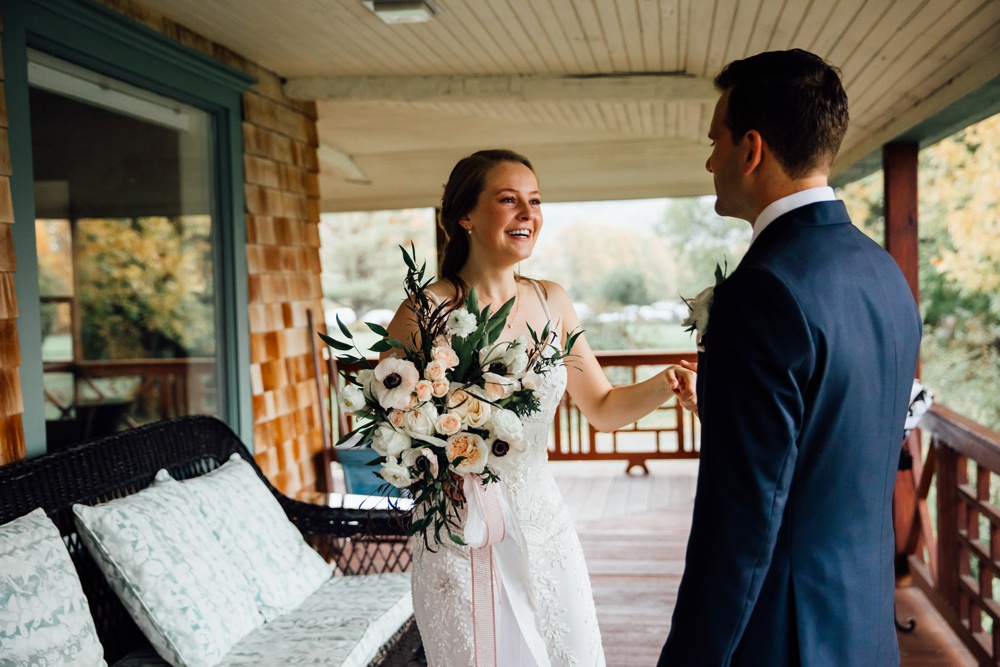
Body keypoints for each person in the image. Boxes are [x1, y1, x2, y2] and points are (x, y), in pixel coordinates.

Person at [657, 49, 922, 666]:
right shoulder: (883, 271)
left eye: (715, 141)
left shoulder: (763, 290)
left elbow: (741, 519)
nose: (709, 160)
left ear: (751, 149)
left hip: (784, 635)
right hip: (862, 626)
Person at [383, 148, 697, 667]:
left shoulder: (552, 300)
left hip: (544, 529)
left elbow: (602, 407)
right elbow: (390, 424)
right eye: (509, 200)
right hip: (458, 536)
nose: (529, 214)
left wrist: (666, 382)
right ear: (465, 215)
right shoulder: (425, 312)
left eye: (535, 201)